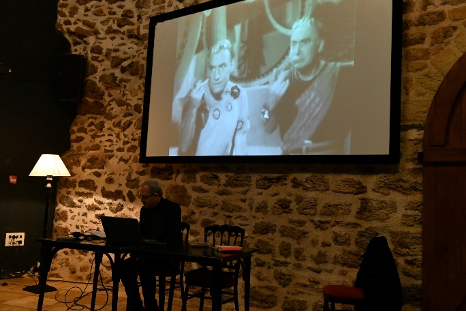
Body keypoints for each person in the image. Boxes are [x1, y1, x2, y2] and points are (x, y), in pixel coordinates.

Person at [262, 15, 351, 155]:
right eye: (293, 44)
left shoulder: (339, 75)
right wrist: (271, 101)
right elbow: (268, 128)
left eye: (304, 42)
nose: (296, 51)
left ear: (320, 45)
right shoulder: (281, 79)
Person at [179, 39, 250, 156]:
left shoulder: (240, 95)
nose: (216, 76)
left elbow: (240, 142)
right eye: (212, 68)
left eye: (222, 67)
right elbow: (183, 147)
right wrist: (193, 107)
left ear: (232, 65)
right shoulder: (196, 96)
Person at [120, 180, 181, 311]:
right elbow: (142, 233)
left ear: (156, 195)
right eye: (140, 197)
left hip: (166, 257)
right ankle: (136, 305)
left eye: (144, 197)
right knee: (123, 266)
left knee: (144, 267)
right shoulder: (145, 210)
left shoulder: (172, 209)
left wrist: (152, 242)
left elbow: (172, 238)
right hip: (147, 254)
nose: (142, 200)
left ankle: (151, 305)